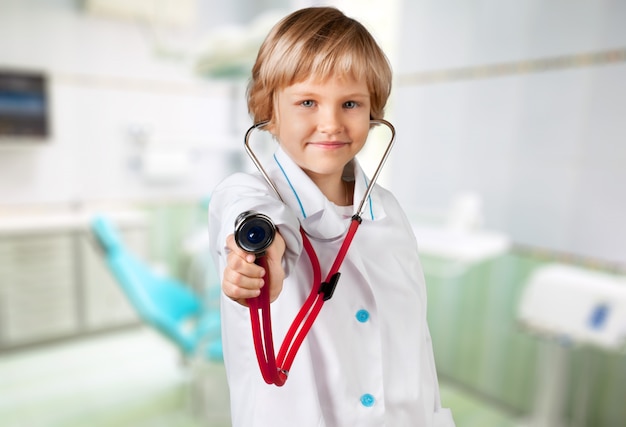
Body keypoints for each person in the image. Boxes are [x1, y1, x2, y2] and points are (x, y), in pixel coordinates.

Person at [208, 6, 455, 427]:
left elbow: (417, 341)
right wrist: (262, 257)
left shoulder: (389, 212)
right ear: (268, 109)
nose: (331, 123)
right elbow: (259, 224)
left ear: (373, 111)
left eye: (351, 103)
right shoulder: (246, 194)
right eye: (307, 101)